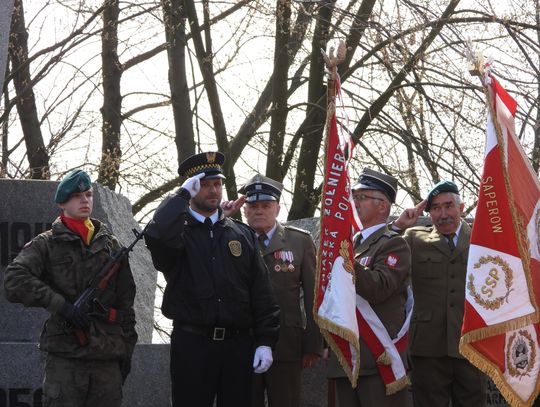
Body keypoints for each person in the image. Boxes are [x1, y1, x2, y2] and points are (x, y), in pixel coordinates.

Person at [144, 152, 280, 407]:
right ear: (191, 187)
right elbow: (156, 234)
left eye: (217, 184)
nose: (213, 190)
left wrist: (265, 341)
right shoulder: (178, 233)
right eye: (204, 185)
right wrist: (181, 196)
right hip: (193, 344)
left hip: (238, 345)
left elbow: (261, 292)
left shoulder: (241, 234)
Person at [4, 169, 137, 407]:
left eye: (88, 194)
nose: (85, 200)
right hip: (66, 360)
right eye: (78, 196)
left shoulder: (112, 246)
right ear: (63, 203)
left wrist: (125, 352)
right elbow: (14, 279)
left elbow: (126, 305)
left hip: (106, 361)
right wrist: (61, 306)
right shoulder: (47, 243)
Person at [223, 173, 323, 407]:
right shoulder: (231, 238)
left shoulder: (300, 241)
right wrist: (222, 218)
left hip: (287, 343)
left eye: (265, 205)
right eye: (253, 206)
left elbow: (313, 294)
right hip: (242, 342)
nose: (259, 211)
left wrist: (314, 344)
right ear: (244, 211)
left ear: (277, 208)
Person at [393, 180, 487, 407]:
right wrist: (398, 226)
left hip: (471, 343)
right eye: (435, 208)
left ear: (461, 207)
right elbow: (383, 256)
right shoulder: (415, 239)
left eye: (448, 206)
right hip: (428, 347)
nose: (443, 214)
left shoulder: (481, 238)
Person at [327, 168, 412, 407]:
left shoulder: (393, 244)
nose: (354, 202)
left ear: (382, 205)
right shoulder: (350, 244)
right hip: (346, 356)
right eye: (354, 196)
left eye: (362, 197)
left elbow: (379, 288)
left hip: (376, 358)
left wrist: (345, 260)